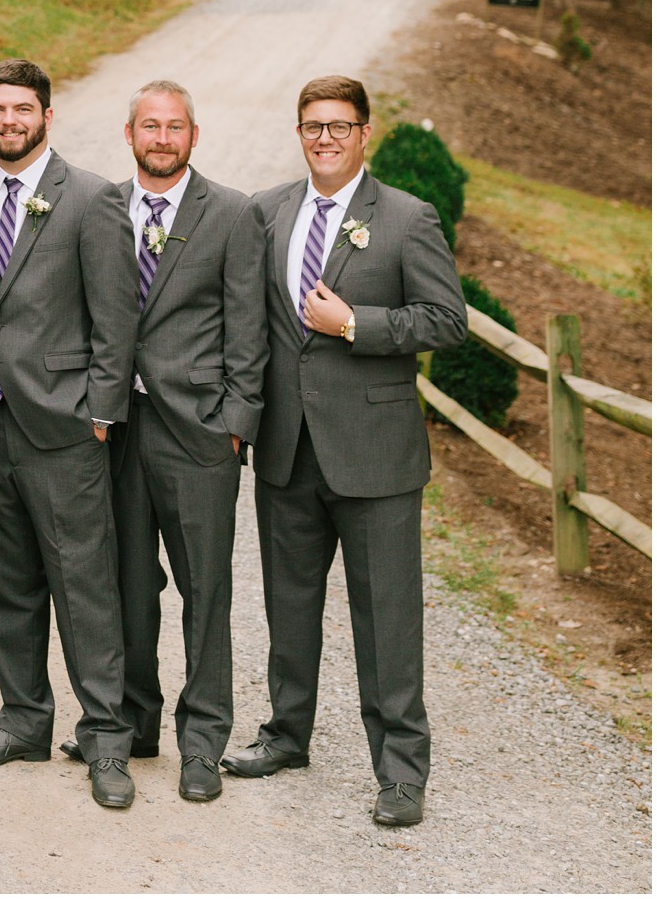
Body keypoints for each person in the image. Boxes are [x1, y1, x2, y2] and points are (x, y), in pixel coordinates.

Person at [224, 76, 467, 828]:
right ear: (298, 133)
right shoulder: (266, 211)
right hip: (288, 451)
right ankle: (286, 734)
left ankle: (400, 770)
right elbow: (250, 324)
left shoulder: (406, 217)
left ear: (365, 131)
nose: (324, 138)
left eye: (338, 125)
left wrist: (355, 323)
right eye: (311, 125)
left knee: (386, 617)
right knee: (288, 607)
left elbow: (445, 320)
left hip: (376, 454)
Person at [0, 60, 138, 810]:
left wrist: (98, 410)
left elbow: (116, 318)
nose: (8, 120)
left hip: (64, 425)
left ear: (48, 116)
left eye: (22, 108)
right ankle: (24, 719)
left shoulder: (92, 198)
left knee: (85, 586)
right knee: (9, 583)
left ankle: (106, 736)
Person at [107, 79, 268, 802]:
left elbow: (249, 327)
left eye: (175, 126)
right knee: (127, 588)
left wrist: (236, 424)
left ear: (193, 136)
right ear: (130, 133)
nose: (162, 137)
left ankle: (202, 740)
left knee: (205, 590)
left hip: (200, 433)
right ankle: (136, 720)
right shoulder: (101, 208)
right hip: (116, 431)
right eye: (150, 125)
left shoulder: (231, 213)